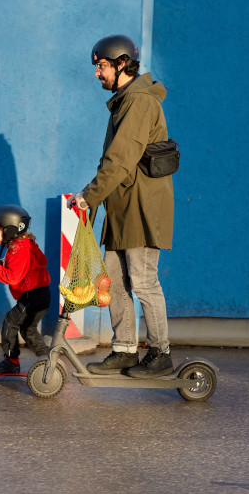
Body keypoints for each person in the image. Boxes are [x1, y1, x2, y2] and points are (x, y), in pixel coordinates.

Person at [67, 34, 175, 378]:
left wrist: (90, 194)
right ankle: (126, 350)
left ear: (122, 64)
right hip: (123, 206)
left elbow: (119, 161)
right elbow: (112, 164)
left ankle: (160, 353)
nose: (97, 73)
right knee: (114, 279)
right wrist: (90, 192)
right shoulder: (125, 100)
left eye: (101, 66)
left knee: (143, 281)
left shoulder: (139, 102)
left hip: (142, 208)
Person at [0, 205, 51, 374]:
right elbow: (15, 267)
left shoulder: (19, 248)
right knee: (28, 329)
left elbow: (13, 276)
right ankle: (48, 359)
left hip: (32, 296)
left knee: (11, 321)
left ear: (9, 230)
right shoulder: (20, 245)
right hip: (39, 294)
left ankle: (11, 361)